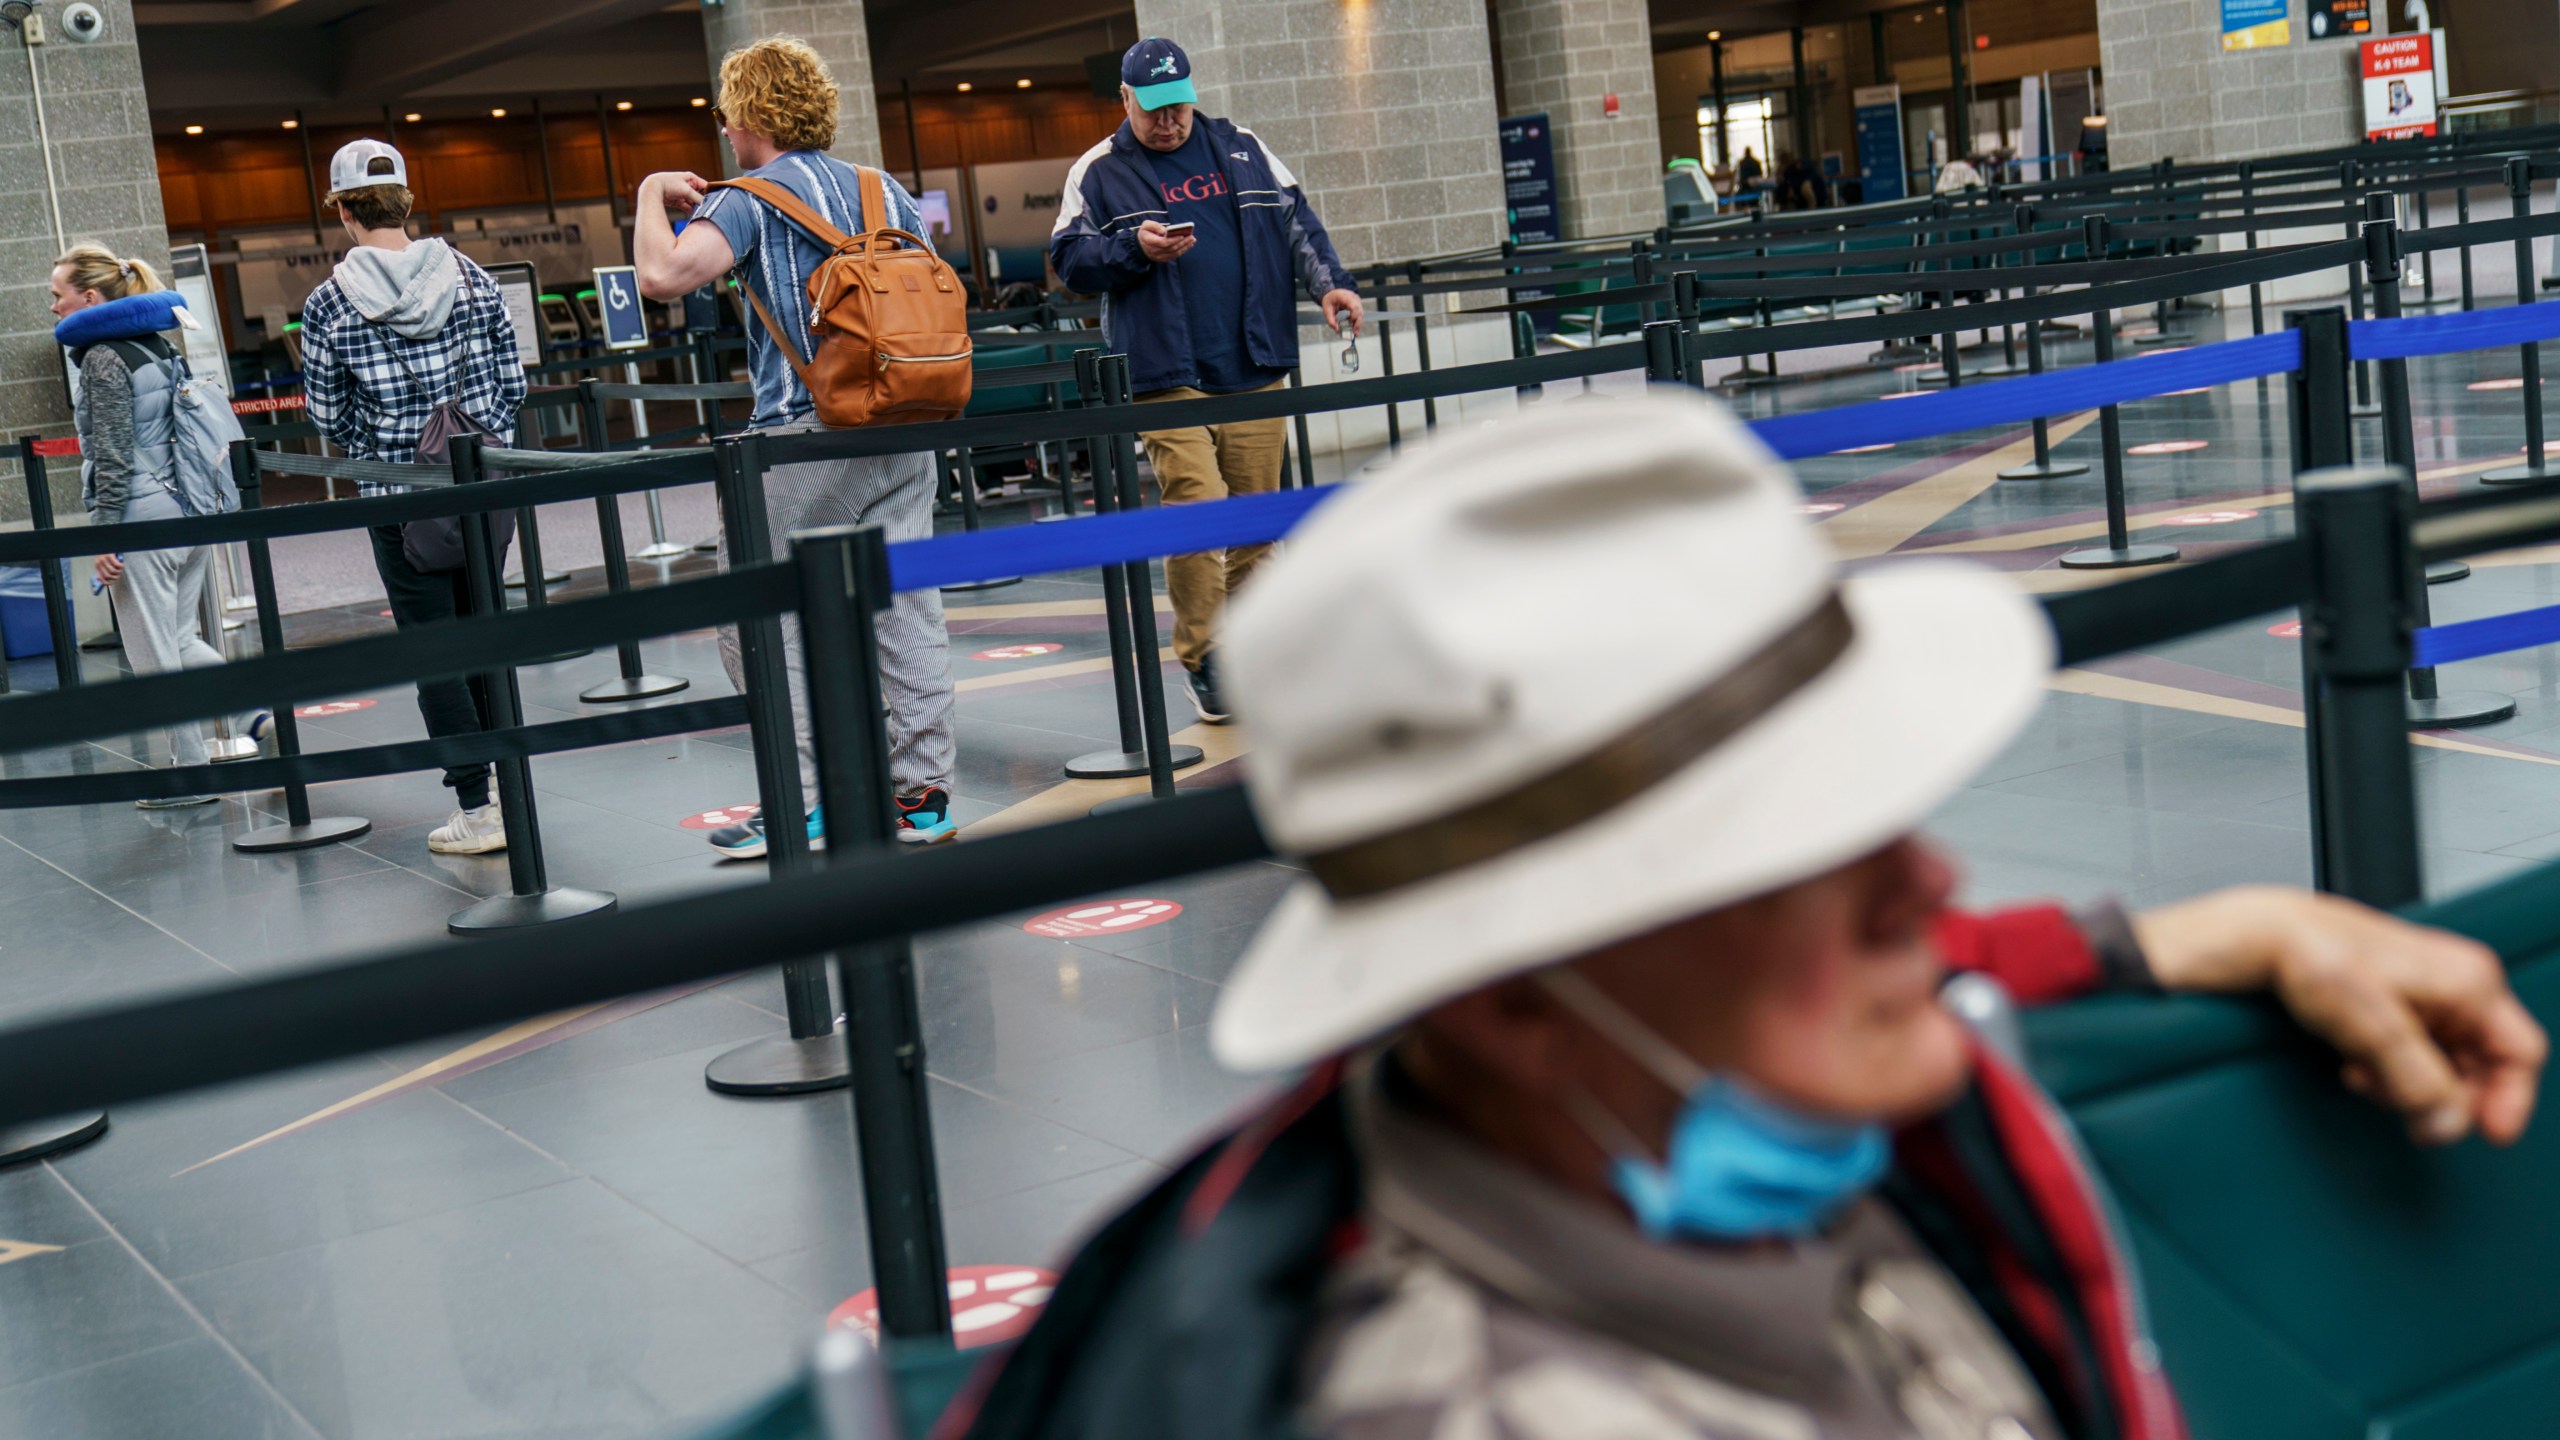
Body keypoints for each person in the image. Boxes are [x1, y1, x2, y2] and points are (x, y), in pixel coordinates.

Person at [951, 394, 2547, 1440]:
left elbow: (1812, 985)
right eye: (1799, 858)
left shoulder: (1625, 1124)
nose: (1932, 886)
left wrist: (2213, 938)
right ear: (1507, 1001)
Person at [632, 35, 960, 859]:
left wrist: (647, 191)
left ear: (747, 116)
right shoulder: (882, 188)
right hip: (909, 423)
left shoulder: (747, 196)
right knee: (904, 609)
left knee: (755, 620)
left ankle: (813, 800)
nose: (725, 133)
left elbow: (665, 276)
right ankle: (923, 795)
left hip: (805, 437)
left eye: (725, 116)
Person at [1049, 37, 1364, 724]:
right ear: (1125, 99)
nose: (1170, 122)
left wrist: (1331, 286)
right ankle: (1205, 656)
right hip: (1166, 367)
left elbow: (1294, 221)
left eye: (1179, 107)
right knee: (1197, 506)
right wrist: (1133, 247)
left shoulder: (1241, 145)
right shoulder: (1098, 171)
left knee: (1255, 518)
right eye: (1154, 110)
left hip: (1252, 355)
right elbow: (1069, 260)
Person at [300, 137, 528, 855]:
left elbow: (329, 417)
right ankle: (513, 794)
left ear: (343, 211)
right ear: (405, 199)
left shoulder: (329, 303)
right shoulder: (471, 277)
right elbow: (511, 386)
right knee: (487, 629)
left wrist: (390, 441)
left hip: (400, 497)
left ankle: (475, 806)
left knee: (434, 649)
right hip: (481, 483)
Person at [47, 245, 266, 807]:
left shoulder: (100, 357)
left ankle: (188, 777)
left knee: (153, 657)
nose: (53, 307)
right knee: (180, 638)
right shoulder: (158, 344)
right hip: (189, 512)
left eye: (58, 295)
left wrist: (104, 533)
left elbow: (112, 451)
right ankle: (259, 711)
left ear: (88, 298)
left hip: (140, 520)